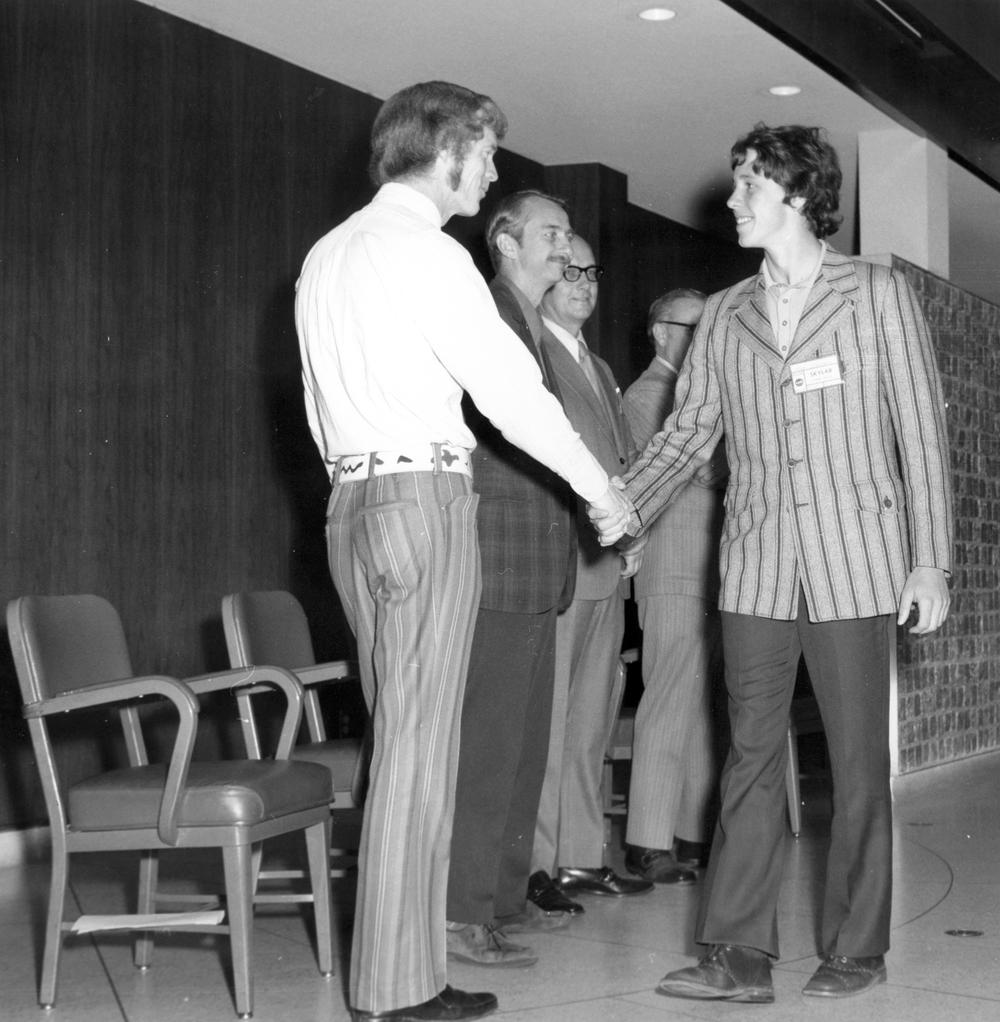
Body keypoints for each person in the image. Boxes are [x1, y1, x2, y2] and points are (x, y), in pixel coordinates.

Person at [295, 81, 633, 1022]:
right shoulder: (429, 254)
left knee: (398, 743)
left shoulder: (326, 255)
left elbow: (322, 409)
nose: (489, 170)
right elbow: (513, 392)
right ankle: (399, 990)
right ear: (446, 150)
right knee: (420, 750)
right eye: (485, 153)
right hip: (423, 500)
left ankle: (392, 976)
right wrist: (600, 488)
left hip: (350, 505)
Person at [621, 123, 954, 1003]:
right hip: (757, 566)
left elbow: (920, 431)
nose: (732, 202)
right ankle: (736, 954)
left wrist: (931, 563)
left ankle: (857, 945)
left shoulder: (877, 294)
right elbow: (690, 431)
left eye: (749, 188)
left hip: (857, 563)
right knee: (750, 759)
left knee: (853, 765)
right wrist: (622, 501)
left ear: (798, 197)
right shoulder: (723, 314)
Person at [445, 189, 584, 969]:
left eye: (567, 235)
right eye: (551, 234)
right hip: (499, 554)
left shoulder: (535, 322)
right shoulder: (490, 311)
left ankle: (501, 898)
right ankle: (462, 912)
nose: (565, 248)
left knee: (526, 746)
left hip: (537, 559)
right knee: (491, 746)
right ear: (504, 241)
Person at [531, 235, 653, 901]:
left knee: (590, 719)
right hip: (564, 561)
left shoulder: (599, 366)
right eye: (568, 271)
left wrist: (633, 530)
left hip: (607, 561)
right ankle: (539, 863)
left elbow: (623, 462)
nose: (583, 283)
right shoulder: (534, 356)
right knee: (548, 721)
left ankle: (581, 851)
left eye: (590, 272)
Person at [621, 288, 725, 886]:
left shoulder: (698, 391)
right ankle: (647, 841)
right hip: (672, 564)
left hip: (708, 564)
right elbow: (681, 469)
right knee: (667, 699)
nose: (702, 338)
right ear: (661, 332)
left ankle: (690, 832)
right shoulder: (646, 394)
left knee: (698, 704)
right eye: (692, 327)